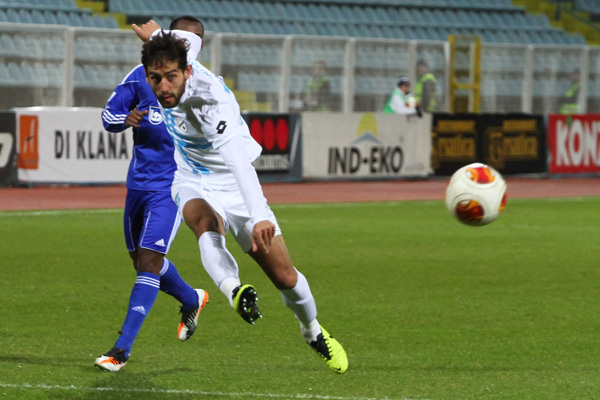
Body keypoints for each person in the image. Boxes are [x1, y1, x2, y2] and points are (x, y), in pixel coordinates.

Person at [132, 20, 348, 373]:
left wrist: (259, 214)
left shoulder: (209, 104)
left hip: (234, 182)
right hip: (191, 177)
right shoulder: (174, 56)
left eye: (171, 77)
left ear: (188, 71)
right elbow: (183, 39)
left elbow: (238, 165)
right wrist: (154, 36)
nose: (164, 87)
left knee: (286, 279)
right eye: (155, 79)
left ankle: (312, 331)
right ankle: (234, 290)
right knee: (204, 223)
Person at [94, 16, 209, 372]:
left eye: (193, 40)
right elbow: (108, 115)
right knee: (142, 262)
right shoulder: (141, 76)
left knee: (147, 263)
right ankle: (191, 298)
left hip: (173, 187)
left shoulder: (203, 85)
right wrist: (124, 119)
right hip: (138, 185)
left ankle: (121, 350)